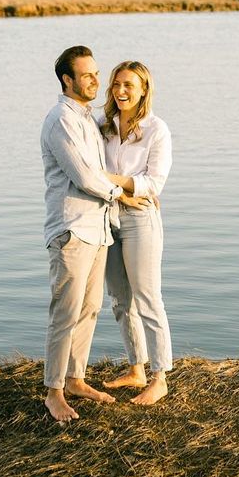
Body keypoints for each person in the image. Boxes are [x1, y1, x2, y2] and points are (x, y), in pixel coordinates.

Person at [40, 45, 150, 423]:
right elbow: (86, 177)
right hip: (72, 229)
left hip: (98, 229)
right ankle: (53, 392)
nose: (95, 80)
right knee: (65, 312)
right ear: (67, 80)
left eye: (95, 73)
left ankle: (75, 378)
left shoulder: (87, 118)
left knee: (90, 309)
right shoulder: (61, 120)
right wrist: (124, 194)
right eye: (86, 75)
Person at [97, 60, 174, 405]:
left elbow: (154, 183)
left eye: (129, 85)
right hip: (107, 217)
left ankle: (159, 378)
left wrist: (112, 181)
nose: (121, 91)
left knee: (147, 298)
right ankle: (136, 368)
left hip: (141, 221)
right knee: (119, 299)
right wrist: (125, 191)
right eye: (116, 84)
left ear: (144, 89)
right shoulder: (104, 126)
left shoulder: (157, 130)